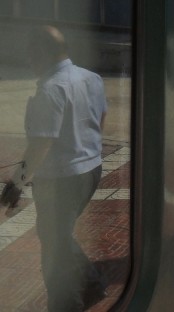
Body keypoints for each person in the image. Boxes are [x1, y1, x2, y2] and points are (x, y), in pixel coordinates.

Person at [5, 26, 108, 311]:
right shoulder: (92, 78)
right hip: (91, 170)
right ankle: (91, 282)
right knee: (57, 235)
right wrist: (86, 150)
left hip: (62, 179)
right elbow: (100, 118)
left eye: (31, 53)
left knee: (54, 245)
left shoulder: (50, 89)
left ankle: (68, 302)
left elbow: (41, 144)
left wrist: (17, 183)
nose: (28, 60)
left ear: (42, 53)